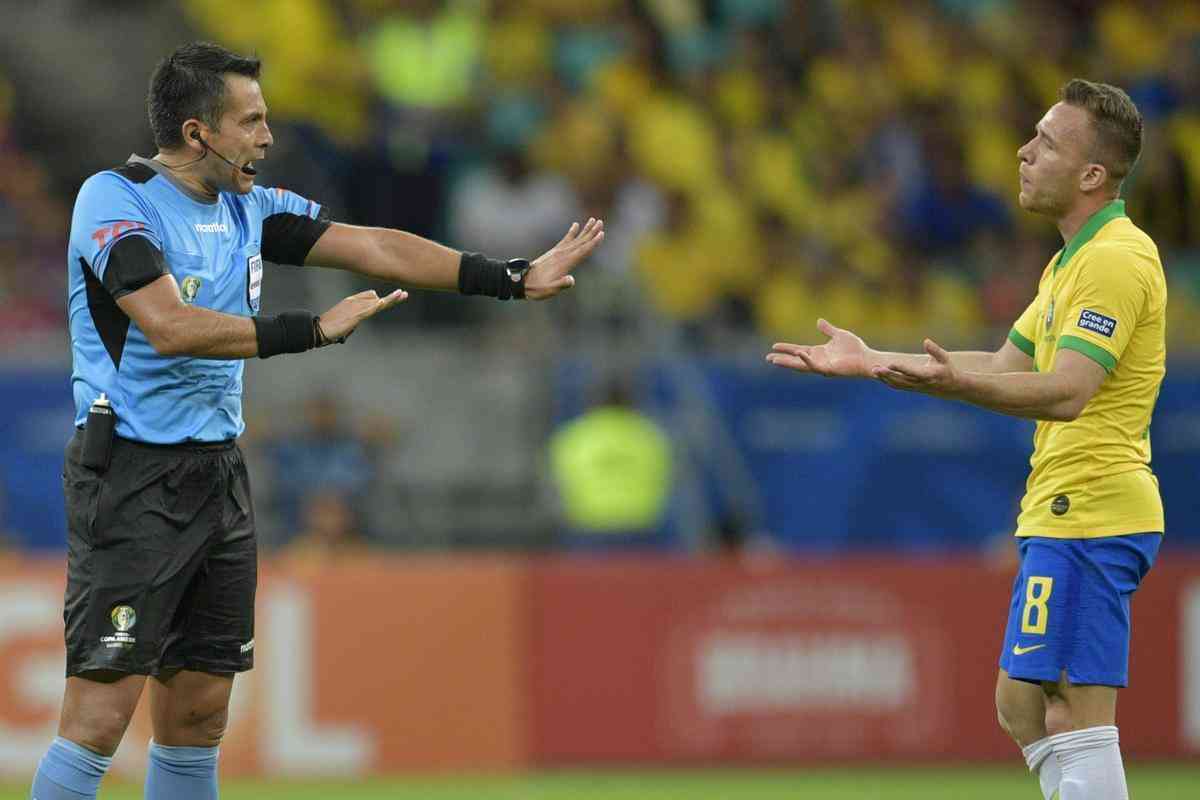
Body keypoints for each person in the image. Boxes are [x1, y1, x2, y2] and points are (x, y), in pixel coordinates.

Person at [34, 41, 603, 800]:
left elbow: (374, 246)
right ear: (199, 132)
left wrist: (509, 277)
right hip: (131, 475)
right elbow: (167, 324)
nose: (268, 137)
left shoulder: (252, 207)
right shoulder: (116, 199)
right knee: (101, 716)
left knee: (201, 715)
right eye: (252, 120)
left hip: (216, 476)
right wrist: (311, 329)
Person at [767, 79, 1161, 800]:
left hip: (1093, 508)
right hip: (1062, 510)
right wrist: (875, 362)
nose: (1023, 150)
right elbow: (1004, 366)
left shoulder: (1115, 260)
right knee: (1020, 704)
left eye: (1046, 142)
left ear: (1092, 175)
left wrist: (948, 385)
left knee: (1072, 706)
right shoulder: (1071, 261)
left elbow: (1068, 390)